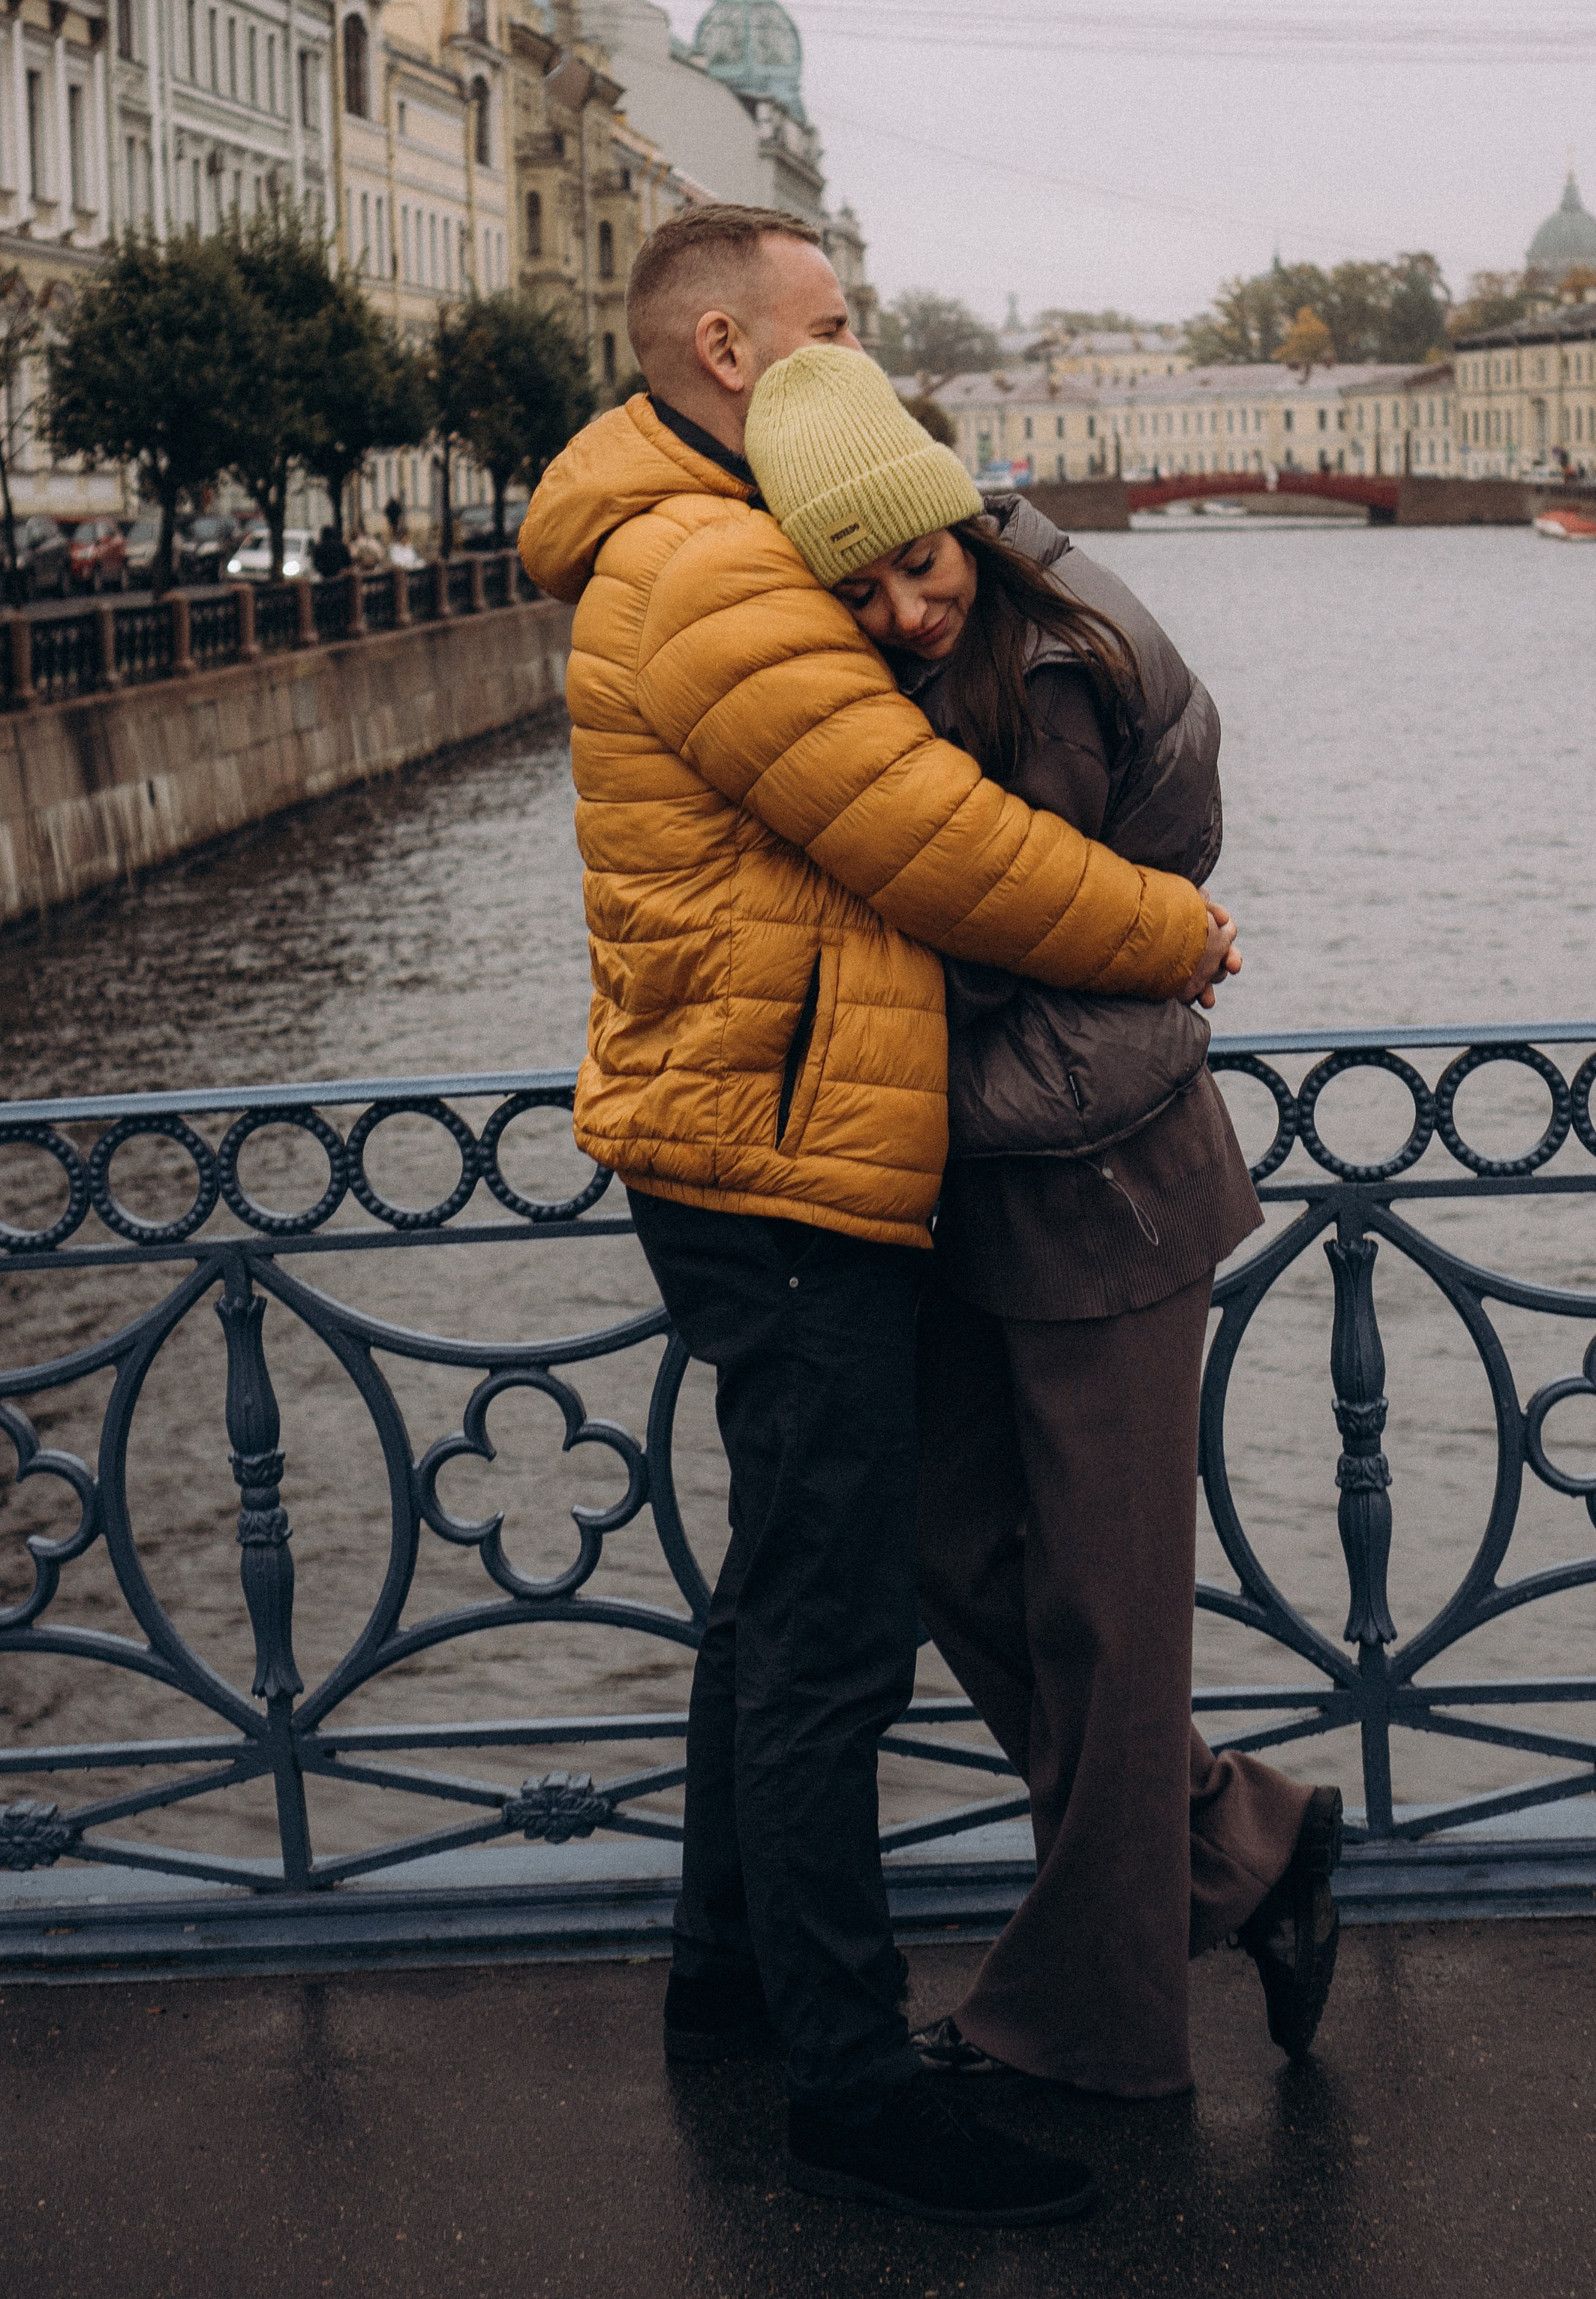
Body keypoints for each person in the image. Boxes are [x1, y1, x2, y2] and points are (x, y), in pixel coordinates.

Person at [518, 205, 1232, 2228]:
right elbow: (932, 844)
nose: (866, 349)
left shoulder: (717, 529)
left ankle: (729, 1975)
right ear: (736, 349)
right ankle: (848, 2081)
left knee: (782, 1577)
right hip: (779, 1142)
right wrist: (1173, 931)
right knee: (835, 1624)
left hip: (753, 1115)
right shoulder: (711, 561)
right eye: (834, 323)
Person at [744, 342, 1345, 2101]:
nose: (902, 611)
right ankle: (1248, 1847)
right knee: (951, 1552)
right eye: (854, 592)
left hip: (1106, 1189)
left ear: (961, 528)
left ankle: (1085, 2031)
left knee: (1103, 1615)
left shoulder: (1049, 672)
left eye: (914, 566)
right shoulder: (961, 656)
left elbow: (1026, 922)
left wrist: (844, 921)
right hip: (992, 1178)